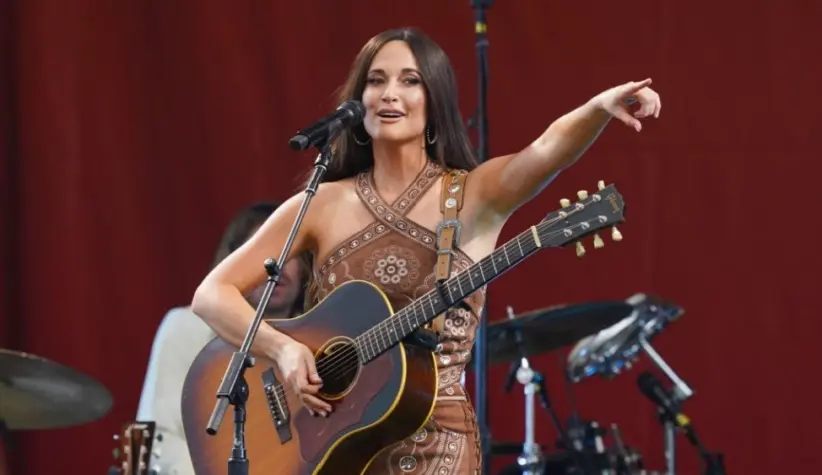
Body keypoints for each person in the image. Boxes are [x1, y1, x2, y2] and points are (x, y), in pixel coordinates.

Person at [191, 27, 661, 475]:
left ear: (433, 102)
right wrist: (285, 349)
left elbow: (545, 150)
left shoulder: (475, 195)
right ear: (360, 102)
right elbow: (211, 294)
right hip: (327, 444)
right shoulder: (322, 202)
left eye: (409, 81)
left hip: (436, 441)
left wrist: (600, 107)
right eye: (376, 81)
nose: (390, 93)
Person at [135, 202, 307, 475]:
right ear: (233, 264)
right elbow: (162, 438)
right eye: (264, 251)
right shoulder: (186, 327)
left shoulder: (316, 339)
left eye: (292, 251)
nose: (279, 263)